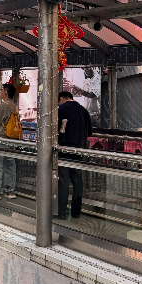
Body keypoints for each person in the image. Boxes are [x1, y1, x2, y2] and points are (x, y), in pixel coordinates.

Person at [58, 91, 92, 220]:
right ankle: (76, 211)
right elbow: (89, 131)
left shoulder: (62, 109)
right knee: (77, 182)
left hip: (64, 149)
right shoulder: (83, 110)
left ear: (62, 99)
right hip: (79, 151)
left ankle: (61, 212)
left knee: (63, 181)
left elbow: (54, 129)